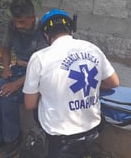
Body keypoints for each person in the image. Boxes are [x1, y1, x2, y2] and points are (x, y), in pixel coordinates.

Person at [23, 9, 120, 157]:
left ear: (45, 35)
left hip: (61, 137)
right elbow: (114, 82)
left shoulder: (39, 58)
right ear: (71, 30)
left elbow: (29, 104)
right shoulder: (92, 49)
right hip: (93, 128)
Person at [0, 0, 48, 158]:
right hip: (18, 70)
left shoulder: (42, 30)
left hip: (38, 76)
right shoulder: (12, 26)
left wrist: (16, 84)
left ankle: (12, 140)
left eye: (22, 22)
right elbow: (6, 47)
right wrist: (7, 67)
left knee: (8, 97)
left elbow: (42, 67)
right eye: (16, 21)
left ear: (32, 17)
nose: (18, 25)